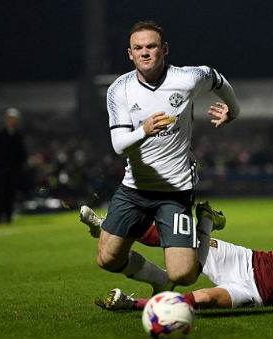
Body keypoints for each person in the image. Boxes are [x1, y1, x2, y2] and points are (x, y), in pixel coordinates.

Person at [84, 20, 240, 293]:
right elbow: (120, 146)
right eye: (138, 47)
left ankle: (205, 221)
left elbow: (217, 78)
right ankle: (160, 282)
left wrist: (233, 111)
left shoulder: (187, 78)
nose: (145, 52)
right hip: (134, 189)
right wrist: (144, 130)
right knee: (107, 258)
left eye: (151, 46)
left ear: (164, 49)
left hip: (175, 189)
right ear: (129, 54)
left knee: (185, 275)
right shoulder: (118, 90)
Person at [81, 207, 273, 311]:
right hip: (245, 262)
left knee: (201, 300)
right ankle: (111, 226)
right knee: (177, 243)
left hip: (254, 294)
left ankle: (130, 305)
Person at [0, 107, 26, 224]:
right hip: (2, 169)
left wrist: (18, 167)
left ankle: (8, 216)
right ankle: (0, 216)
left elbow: (22, 153)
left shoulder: (18, 135)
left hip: (13, 170)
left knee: (10, 193)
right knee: (1, 193)